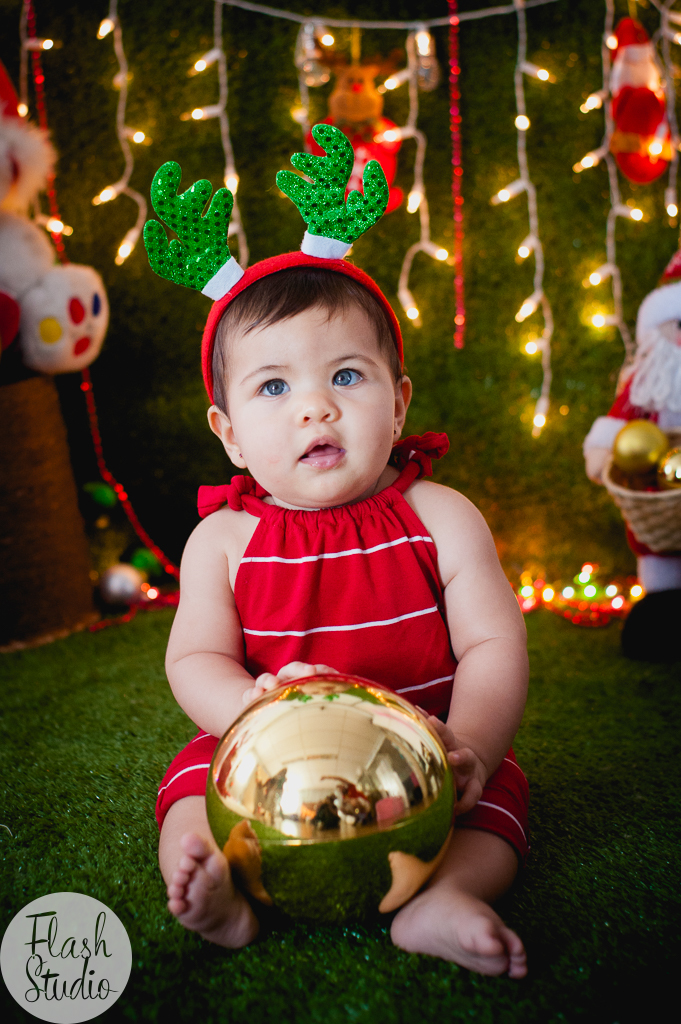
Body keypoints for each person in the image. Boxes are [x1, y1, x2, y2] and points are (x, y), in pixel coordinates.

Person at [145, 132, 529, 978]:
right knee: (186, 787)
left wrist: (468, 747)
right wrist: (245, 710)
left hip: (423, 753)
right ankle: (224, 890)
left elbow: (494, 646)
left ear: (397, 404)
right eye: (273, 388)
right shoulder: (224, 540)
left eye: (345, 378)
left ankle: (443, 895)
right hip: (268, 756)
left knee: (499, 805)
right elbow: (194, 657)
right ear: (231, 435)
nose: (314, 409)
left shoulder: (439, 516)